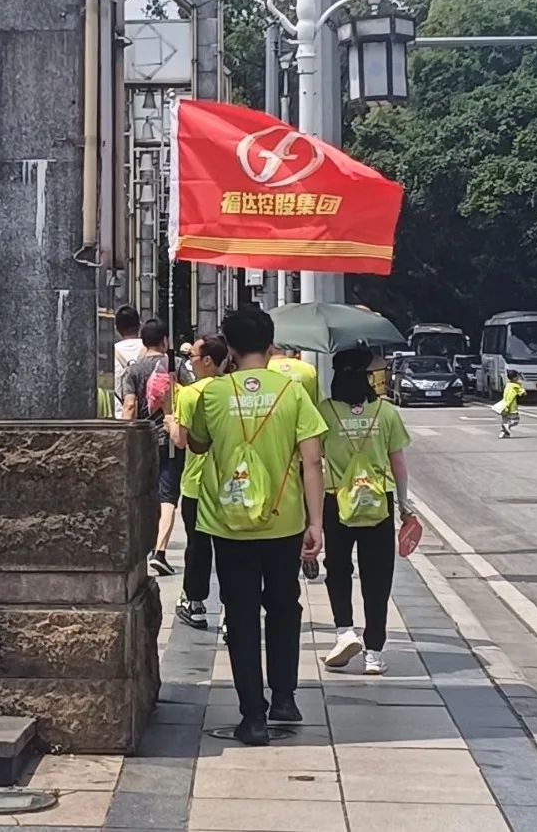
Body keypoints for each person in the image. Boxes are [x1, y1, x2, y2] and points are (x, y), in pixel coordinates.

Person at [189, 306, 326, 746]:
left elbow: (198, 443)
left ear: (228, 347)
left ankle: (253, 717)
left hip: (227, 523)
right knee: (284, 606)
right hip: (284, 521)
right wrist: (316, 522)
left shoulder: (212, 393)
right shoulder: (292, 393)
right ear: (270, 345)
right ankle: (284, 698)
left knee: (241, 614)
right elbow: (312, 461)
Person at [320, 347, 412, 676]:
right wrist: (404, 507)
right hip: (378, 502)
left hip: (336, 501)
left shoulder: (325, 411)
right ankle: (373, 652)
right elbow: (398, 465)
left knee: (338, 569)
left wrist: (309, 516)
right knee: (377, 577)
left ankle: (345, 631)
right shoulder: (385, 412)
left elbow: (312, 463)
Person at [164, 334, 229, 629]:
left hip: (196, 482)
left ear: (208, 360)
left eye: (193, 356)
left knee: (198, 545)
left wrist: (170, 421)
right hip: (229, 481)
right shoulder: (232, 391)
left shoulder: (189, 395)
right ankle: (231, 611)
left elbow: (180, 440)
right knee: (228, 549)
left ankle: (196, 603)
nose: (190, 362)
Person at [121, 318, 194, 575]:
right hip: (170, 437)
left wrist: (126, 439)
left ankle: (145, 546)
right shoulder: (176, 366)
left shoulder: (132, 371)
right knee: (168, 495)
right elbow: (192, 394)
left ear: (144, 342)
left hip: (143, 440)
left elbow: (129, 406)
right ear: (165, 341)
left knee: (145, 493)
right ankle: (160, 551)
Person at [114, 306, 143, 419]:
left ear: (117, 328)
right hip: (149, 421)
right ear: (139, 325)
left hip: (119, 417)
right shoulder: (151, 350)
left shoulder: (110, 354)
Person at [500, 370, 526, 439]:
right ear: (515, 378)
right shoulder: (516, 386)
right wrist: (522, 386)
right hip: (512, 406)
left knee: (505, 419)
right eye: (517, 376)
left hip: (504, 405)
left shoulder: (507, 385)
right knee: (515, 420)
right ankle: (507, 426)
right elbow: (522, 393)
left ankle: (504, 433)